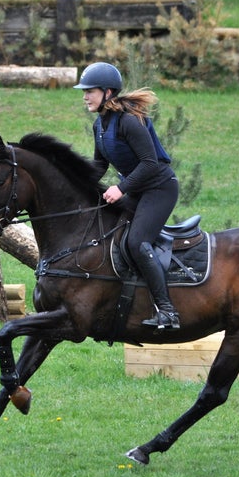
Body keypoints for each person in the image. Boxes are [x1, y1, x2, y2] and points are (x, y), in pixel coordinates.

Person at [74, 62, 181, 331]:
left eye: (90, 91)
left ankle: (168, 311)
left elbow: (150, 164)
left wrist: (120, 188)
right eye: (84, 91)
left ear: (108, 92)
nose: (85, 96)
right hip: (137, 190)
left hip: (159, 189)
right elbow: (99, 166)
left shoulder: (129, 121)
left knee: (136, 242)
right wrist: (77, 188)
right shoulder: (101, 124)